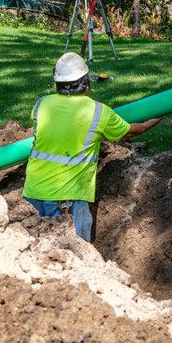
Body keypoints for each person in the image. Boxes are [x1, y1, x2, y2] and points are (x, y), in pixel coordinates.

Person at [24, 52, 160, 242]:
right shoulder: (98, 111)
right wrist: (154, 120)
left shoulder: (42, 104)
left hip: (32, 193)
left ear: (57, 84)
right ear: (86, 85)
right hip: (68, 198)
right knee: (76, 260)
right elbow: (129, 132)